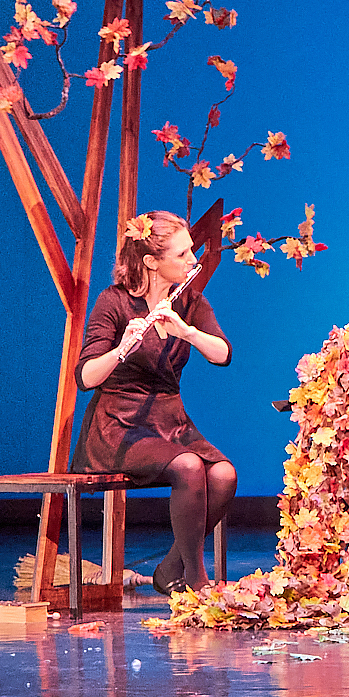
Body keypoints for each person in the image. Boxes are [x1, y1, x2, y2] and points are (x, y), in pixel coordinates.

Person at [76, 211, 237, 594]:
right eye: (182, 255)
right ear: (151, 261)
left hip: (171, 422)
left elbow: (223, 353)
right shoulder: (114, 302)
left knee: (224, 475)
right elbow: (85, 377)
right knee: (188, 466)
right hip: (120, 425)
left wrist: (188, 332)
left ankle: (169, 569)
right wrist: (121, 349)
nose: (192, 261)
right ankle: (196, 581)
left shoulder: (190, 302)